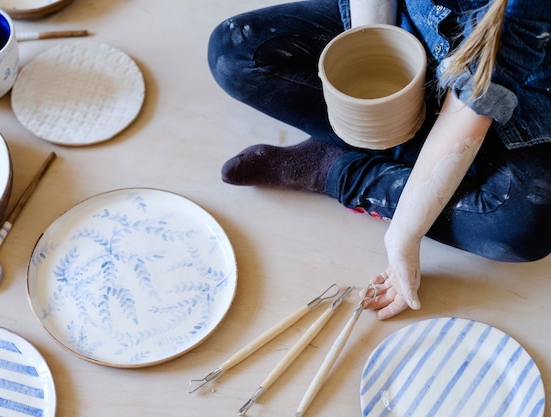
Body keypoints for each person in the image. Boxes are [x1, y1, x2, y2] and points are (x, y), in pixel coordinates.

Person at [207, 0, 551, 319]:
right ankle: (406, 153)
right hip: (414, 29)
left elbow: (475, 100)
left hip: (516, 92)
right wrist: (372, 64)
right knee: (233, 53)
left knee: (524, 226)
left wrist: (403, 235)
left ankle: (339, 169)